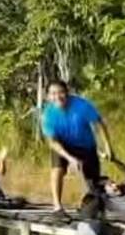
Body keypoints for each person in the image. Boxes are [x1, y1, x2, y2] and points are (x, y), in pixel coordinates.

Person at [42, 80, 116, 212]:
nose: (58, 97)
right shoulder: (48, 115)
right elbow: (52, 142)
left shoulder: (82, 106)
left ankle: (105, 201)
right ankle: (57, 206)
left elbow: (99, 124)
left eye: (61, 93)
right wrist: (70, 159)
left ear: (67, 93)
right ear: (48, 97)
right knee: (57, 168)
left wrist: (107, 146)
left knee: (94, 184)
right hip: (63, 146)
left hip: (86, 145)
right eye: (53, 94)